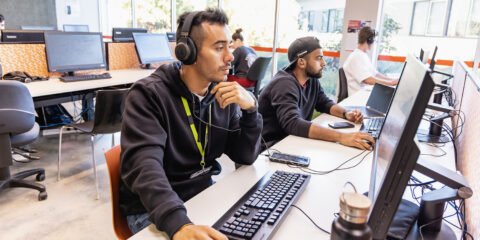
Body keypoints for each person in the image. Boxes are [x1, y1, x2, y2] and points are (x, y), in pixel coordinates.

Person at [120, 9, 262, 240]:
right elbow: (145, 168)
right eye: (219, 48)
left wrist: (251, 111)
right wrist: (179, 225)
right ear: (188, 52)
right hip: (154, 209)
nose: (230, 57)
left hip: (202, 193)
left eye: (229, 47)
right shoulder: (149, 95)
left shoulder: (221, 94)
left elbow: (244, 156)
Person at [258, 36, 374, 150]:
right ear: (301, 62)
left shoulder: (310, 80)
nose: (324, 63)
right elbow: (292, 124)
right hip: (271, 148)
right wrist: (342, 137)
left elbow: (324, 103)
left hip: (292, 141)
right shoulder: (284, 84)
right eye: (319, 58)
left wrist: (346, 113)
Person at [343, 26, 398, 96]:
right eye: (374, 41)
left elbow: (375, 74)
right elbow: (368, 80)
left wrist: (391, 80)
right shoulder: (356, 57)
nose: (374, 43)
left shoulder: (363, 55)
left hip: (365, 94)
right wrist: (390, 83)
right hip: (358, 97)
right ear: (369, 40)